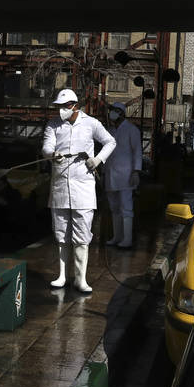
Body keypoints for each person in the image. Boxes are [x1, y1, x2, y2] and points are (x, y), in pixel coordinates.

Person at [42, 88, 116, 293]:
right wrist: (52, 154)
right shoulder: (53, 125)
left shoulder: (91, 124)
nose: (60, 110)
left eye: (64, 107)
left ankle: (81, 279)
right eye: (58, 107)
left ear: (74, 105)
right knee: (61, 233)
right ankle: (62, 276)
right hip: (59, 187)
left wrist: (98, 159)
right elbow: (46, 147)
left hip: (83, 187)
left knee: (82, 234)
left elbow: (110, 141)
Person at [103, 102, 142, 249]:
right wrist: (104, 171)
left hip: (127, 175)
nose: (112, 114)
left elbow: (137, 151)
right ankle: (117, 236)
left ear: (121, 113)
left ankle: (127, 238)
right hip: (111, 174)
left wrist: (136, 171)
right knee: (114, 207)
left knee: (126, 207)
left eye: (114, 111)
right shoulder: (110, 131)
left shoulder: (132, 130)